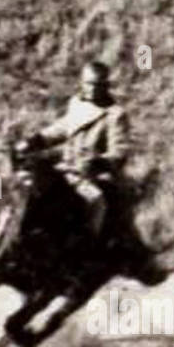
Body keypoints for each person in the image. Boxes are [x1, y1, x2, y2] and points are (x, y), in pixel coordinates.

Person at [31, 60, 129, 240]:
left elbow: (120, 152)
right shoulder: (76, 102)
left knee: (96, 202)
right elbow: (63, 127)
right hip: (65, 168)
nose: (92, 89)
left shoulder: (115, 114)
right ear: (82, 83)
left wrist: (99, 160)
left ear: (106, 86)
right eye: (88, 83)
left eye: (98, 85)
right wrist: (36, 140)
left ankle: (89, 247)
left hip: (90, 174)